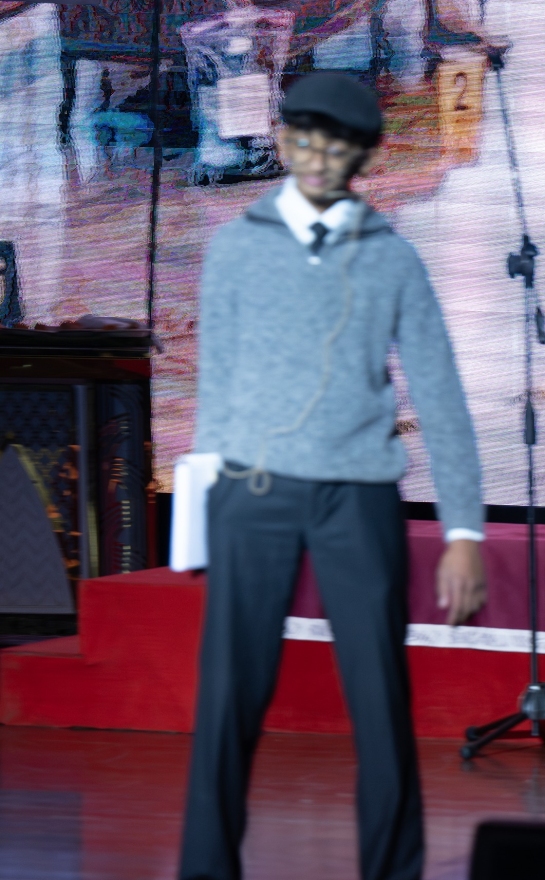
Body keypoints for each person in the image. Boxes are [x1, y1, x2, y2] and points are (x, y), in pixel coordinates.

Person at [180, 72, 487, 880]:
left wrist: (463, 531)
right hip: (251, 492)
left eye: (341, 146)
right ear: (283, 140)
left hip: (357, 497)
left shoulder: (394, 260)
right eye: (307, 139)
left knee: (380, 696)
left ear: (365, 157)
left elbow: (442, 397)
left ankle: (393, 870)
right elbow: (216, 382)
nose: (321, 158)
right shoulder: (235, 246)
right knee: (228, 697)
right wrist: (200, 516)